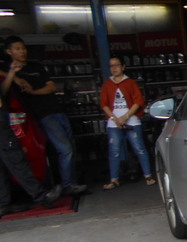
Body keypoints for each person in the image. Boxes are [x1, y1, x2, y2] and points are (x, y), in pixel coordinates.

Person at [0, 36, 87, 196]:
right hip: (41, 115)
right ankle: (68, 184)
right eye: (18, 48)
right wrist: (15, 76)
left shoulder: (36, 66)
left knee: (70, 148)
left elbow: (52, 87)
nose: (23, 51)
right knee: (65, 149)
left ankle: (71, 183)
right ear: (9, 51)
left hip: (57, 110)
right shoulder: (7, 68)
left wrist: (33, 91)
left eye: (23, 48)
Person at [0, 70, 62, 218]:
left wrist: (12, 73)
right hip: (2, 131)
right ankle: (42, 197)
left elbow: (2, 90)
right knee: (18, 163)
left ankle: (2, 204)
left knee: (1, 168)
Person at [99, 56, 155, 189]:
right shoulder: (107, 85)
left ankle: (148, 175)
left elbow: (138, 101)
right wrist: (115, 118)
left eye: (117, 65)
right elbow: (103, 104)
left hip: (132, 121)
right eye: (111, 65)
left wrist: (125, 117)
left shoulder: (130, 83)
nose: (114, 68)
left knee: (139, 148)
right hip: (114, 122)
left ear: (123, 67)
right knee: (114, 151)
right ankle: (114, 179)